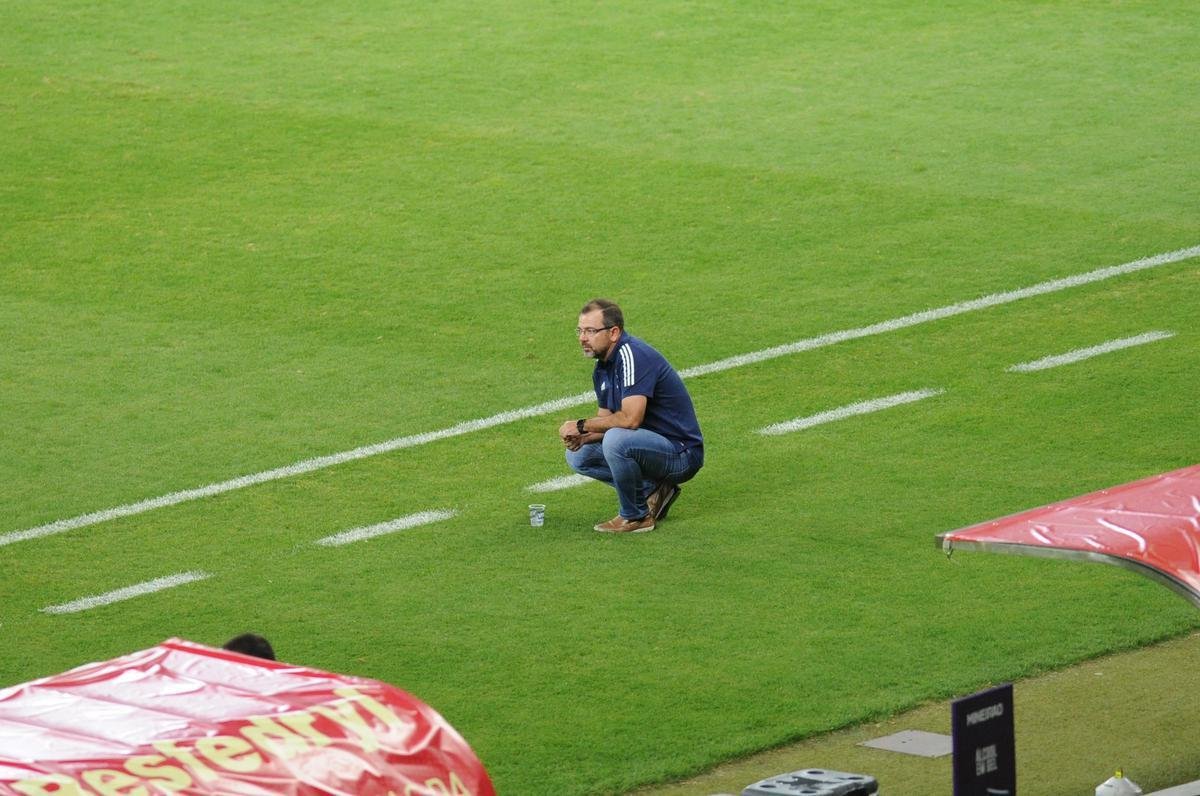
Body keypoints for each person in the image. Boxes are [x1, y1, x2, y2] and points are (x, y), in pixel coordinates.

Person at [559, 298, 704, 533]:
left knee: (616, 439)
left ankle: (636, 517)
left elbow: (630, 420)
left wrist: (581, 425)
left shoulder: (631, 355)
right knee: (578, 456)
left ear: (614, 332)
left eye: (590, 331)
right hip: (650, 446)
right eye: (580, 330)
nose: (582, 338)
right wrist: (583, 437)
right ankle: (653, 490)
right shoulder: (602, 368)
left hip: (681, 453)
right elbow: (605, 421)